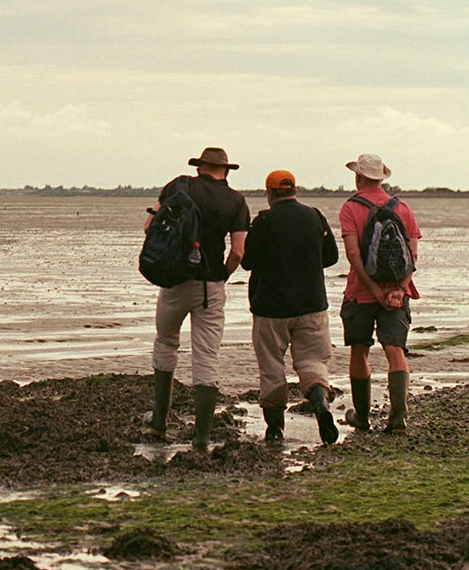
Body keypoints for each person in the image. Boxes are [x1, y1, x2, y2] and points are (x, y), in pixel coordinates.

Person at [143, 145, 250, 448]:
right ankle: (201, 436)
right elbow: (239, 251)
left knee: (165, 343)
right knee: (206, 355)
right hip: (210, 286)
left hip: (174, 281)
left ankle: (159, 423)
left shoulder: (179, 185)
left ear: (200, 167)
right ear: (226, 171)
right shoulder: (236, 200)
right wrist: (222, 276)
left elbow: (150, 226)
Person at [241, 169, 340, 444]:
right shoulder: (315, 216)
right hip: (312, 305)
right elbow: (331, 256)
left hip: (270, 308)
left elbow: (247, 262)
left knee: (272, 366)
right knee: (312, 362)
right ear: (295, 190)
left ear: (270, 193)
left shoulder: (264, 222)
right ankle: (320, 404)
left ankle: (275, 429)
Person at [339, 152, 422, 434]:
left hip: (360, 293)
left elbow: (353, 255)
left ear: (358, 177)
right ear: (382, 178)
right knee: (395, 350)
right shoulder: (404, 209)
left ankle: (362, 419)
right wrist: (398, 289)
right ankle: (397, 419)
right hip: (397, 294)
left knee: (359, 350)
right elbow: (412, 256)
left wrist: (373, 290)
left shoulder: (350, 208)